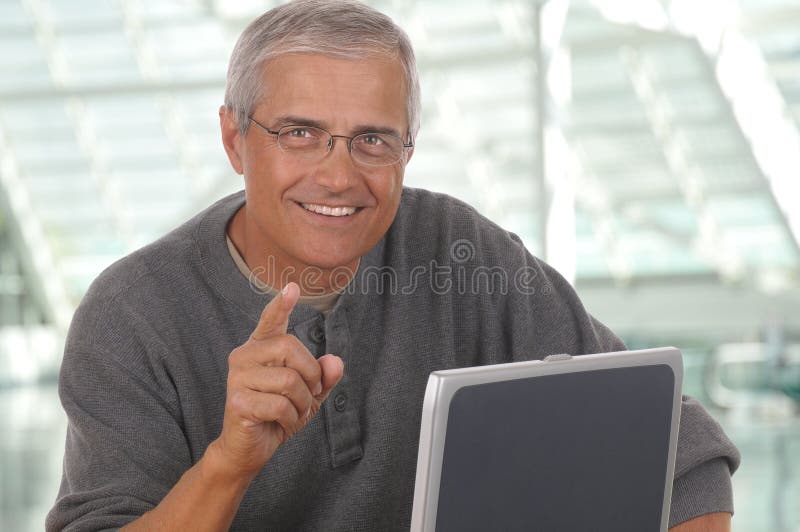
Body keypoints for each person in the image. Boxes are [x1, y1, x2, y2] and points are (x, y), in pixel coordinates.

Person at [46, 1, 740, 530]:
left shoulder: (462, 253)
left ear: (408, 150)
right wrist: (230, 462)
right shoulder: (131, 315)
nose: (339, 176)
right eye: (300, 133)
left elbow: (683, 453)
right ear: (235, 139)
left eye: (372, 140)